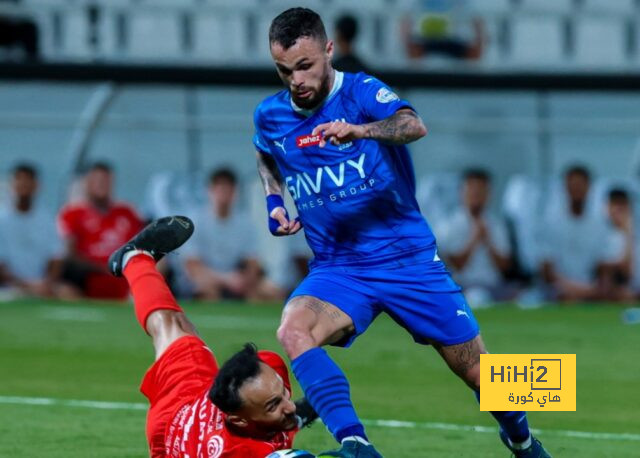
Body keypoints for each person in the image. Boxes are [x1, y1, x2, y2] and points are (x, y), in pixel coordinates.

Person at [252, 7, 550, 458]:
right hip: (340, 268)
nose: (295, 79)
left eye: (305, 65)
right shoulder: (270, 115)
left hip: (406, 260)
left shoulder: (361, 91)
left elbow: (413, 124)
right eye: (284, 70)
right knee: (293, 329)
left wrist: (360, 130)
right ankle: (357, 445)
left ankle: (523, 440)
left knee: (484, 375)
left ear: (329, 50)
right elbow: (266, 155)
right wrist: (275, 203)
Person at [107, 216, 317, 457]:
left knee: (170, 324)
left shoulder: (267, 374)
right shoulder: (236, 452)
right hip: (180, 433)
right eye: (274, 405)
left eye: (283, 394)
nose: (289, 404)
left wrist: (293, 414)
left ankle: (134, 258)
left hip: (181, 407)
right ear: (239, 421)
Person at [183, 168, 284, 301]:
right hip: (206, 278)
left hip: (238, 280)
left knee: (273, 292)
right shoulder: (195, 221)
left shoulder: (245, 222)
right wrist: (225, 279)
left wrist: (244, 280)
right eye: (220, 189)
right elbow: (193, 266)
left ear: (235, 192)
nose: (224, 194)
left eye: (228, 189)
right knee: (205, 290)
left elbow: (253, 262)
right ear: (210, 190)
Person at [58, 162, 144, 300]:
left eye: (105, 180)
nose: (101, 185)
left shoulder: (127, 212)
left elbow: (140, 246)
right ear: (86, 182)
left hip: (126, 279)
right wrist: (104, 268)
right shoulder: (72, 213)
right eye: (96, 180)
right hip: (88, 281)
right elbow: (70, 255)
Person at [540, 166, 617, 302]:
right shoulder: (551, 223)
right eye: (572, 185)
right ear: (565, 188)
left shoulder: (600, 225)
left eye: (580, 185)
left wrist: (600, 287)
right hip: (560, 288)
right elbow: (547, 270)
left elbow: (604, 267)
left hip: (592, 288)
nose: (576, 190)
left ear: (589, 187)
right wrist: (571, 287)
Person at [438, 169, 512, 306]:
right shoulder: (449, 224)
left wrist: (488, 241)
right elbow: (455, 264)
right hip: (462, 285)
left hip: (493, 285)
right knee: (476, 297)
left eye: (481, 192)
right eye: (473, 191)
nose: (476, 196)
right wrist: (475, 238)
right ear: (462, 192)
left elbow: (505, 266)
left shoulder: (496, 224)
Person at [0, 163, 74, 298]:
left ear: (36, 185)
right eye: (19, 181)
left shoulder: (47, 219)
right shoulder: (2, 219)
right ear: (12, 185)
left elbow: (56, 257)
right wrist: (25, 285)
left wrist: (48, 283)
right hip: (9, 288)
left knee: (69, 293)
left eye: (28, 181)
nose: (23, 186)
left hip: (42, 287)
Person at [403, 0, 484, 61]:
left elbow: (477, 22)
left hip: (455, 42)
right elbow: (406, 22)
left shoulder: (465, 4)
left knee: (473, 54)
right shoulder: (416, 3)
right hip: (426, 41)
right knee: (414, 51)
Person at [599, 188, 636, 301]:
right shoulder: (602, 235)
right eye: (615, 204)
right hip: (615, 291)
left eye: (623, 205)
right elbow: (625, 270)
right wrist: (628, 234)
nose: (619, 210)